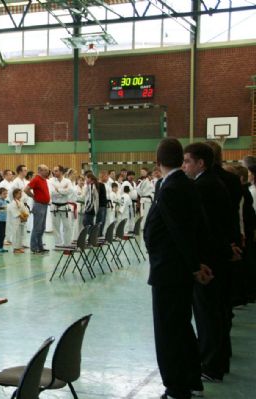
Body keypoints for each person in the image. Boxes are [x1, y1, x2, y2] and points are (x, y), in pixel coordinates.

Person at [143, 138, 211, 399]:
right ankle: (191, 380)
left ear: (158, 161)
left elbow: (180, 231)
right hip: (174, 268)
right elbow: (199, 227)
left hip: (170, 270)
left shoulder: (172, 188)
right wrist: (200, 260)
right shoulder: (183, 184)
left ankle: (176, 387)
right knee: (181, 326)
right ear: (180, 159)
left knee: (169, 330)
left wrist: (196, 266)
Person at [182, 142, 235, 383]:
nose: (185, 166)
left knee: (208, 314)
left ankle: (212, 364)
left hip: (210, 260)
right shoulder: (214, 182)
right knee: (217, 313)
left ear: (200, 163)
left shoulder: (204, 186)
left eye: (188, 161)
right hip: (219, 256)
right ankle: (217, 359)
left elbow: (206, 229)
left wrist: (198, 262)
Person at [24, 165, 50, 254]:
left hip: (44, 205)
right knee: (37, 227)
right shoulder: (36, 179)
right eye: (45, 170)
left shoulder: (44, 180)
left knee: (42, 227)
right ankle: (34, 247)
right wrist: (34, 196)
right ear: (40, 170)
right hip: (39, 205)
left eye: (47, 170)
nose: (47, 172)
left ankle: (40, 246)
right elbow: (26, 189)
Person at [49, 165, 73, 246]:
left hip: (65, 206)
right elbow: (51, 192)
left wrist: (58, 189)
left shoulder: (68, 181)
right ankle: (58, 243)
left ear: (61, 172)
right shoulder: (51, 181)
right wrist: (63, 190)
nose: (54, 172)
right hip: (54, 206)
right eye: (54, 171)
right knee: (55, 227)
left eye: (56, 171)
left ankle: (67, 243)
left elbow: (69, 191)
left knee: (68, 226)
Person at [8, 188, 28, 254]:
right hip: (16, 220)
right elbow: (15, 212)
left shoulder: (20, 201)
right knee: (16, 234)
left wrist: (26, 216)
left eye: (21, 193)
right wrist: (22, 217)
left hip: (21, 220)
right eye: (19, 193)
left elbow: (24, 210)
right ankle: (15, 249)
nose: (20, 195)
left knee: (20, 234)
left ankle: (19, 247)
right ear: (15, 194)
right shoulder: (13, 203)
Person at [0, 187, 9, 253]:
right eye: (4, 194)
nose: (5, 195)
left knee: (3, 234)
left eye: (6, 194)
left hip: (4, 220)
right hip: (0, 220)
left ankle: (1, 247)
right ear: (0, 194)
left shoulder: (5, 201)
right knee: (0, 234)